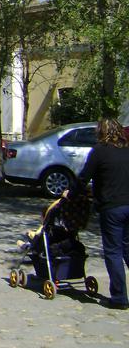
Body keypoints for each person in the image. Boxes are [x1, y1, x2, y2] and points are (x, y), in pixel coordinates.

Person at [67, 118, 129, 310]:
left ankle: (119, 298)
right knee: (127, 248)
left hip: (111, 208)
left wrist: (71, 193)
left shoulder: (99, 152)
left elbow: (84, 177)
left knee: (113, 252)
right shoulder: (127, 150)